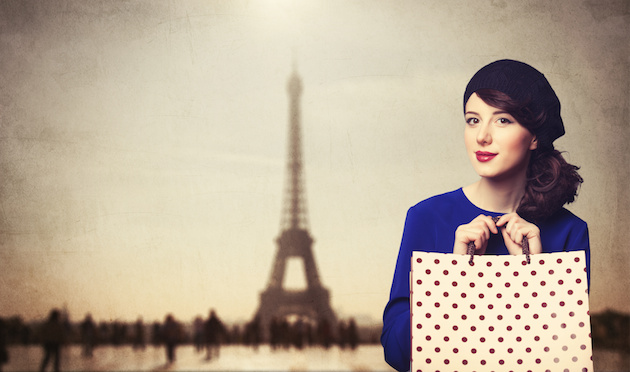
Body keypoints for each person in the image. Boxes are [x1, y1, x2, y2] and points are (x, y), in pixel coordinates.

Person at [380, 59, 590, 372]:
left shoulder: (569, 231)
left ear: (534, 137)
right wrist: (453, 278)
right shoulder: (426, 217)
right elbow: (396, 354)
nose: (482, 136)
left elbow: (563, 361)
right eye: (473, 120)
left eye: (502, 120)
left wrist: (533, 276)